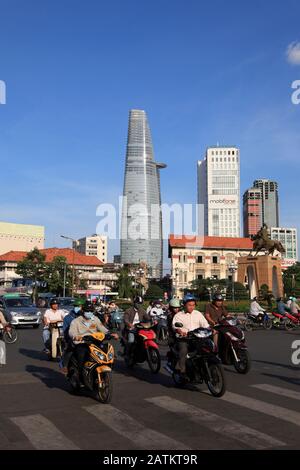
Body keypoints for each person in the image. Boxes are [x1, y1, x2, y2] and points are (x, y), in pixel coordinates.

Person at [69, 301, 118, 383]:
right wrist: (76, 336)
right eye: (87, 311)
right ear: (83, 311)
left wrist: (110, 334)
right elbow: (71, 331)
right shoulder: (76, 321)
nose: (89, 312)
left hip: (95, 342)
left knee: (107, 352)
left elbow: (102, 328)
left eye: (91, 311)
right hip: (82, 343)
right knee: (81, 357)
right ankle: (80, 377)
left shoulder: (95, 319)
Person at [172, 295, 209, 376]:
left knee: (208, 347)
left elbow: (205, 324)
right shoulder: (179, 315)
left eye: (193, 305)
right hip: (184, 339)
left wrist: (210, 329)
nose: (192, 307)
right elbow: (175, 326)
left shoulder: (198, 314)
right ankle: (181, 370)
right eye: (189, 305)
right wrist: (180, 331)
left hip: (198, 338)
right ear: (184, 305)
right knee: (184, 350)